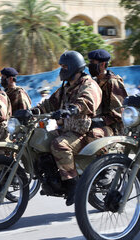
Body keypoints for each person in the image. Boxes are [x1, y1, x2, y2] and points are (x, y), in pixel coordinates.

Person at [35, 51, 102, 206]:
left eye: (65, 66)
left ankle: (73, 184)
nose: (62, 69)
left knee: (59, 144)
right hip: (67, 129)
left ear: (74, 67)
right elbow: (49, 103)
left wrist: (73, 109)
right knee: (39, 139)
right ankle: (51, 178)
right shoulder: (67, 87)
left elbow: (87, 101)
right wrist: (33, 111)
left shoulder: (89, 84)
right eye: (61, 66)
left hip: (83, 132)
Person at [87, 49, 128, 138]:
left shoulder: (112, 82)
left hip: (113, 129)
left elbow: (119, 112)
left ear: (103, 64)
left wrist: (102, 121)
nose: (89, 65)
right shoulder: (95, 81)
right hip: (98, 124)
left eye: (92, 62)